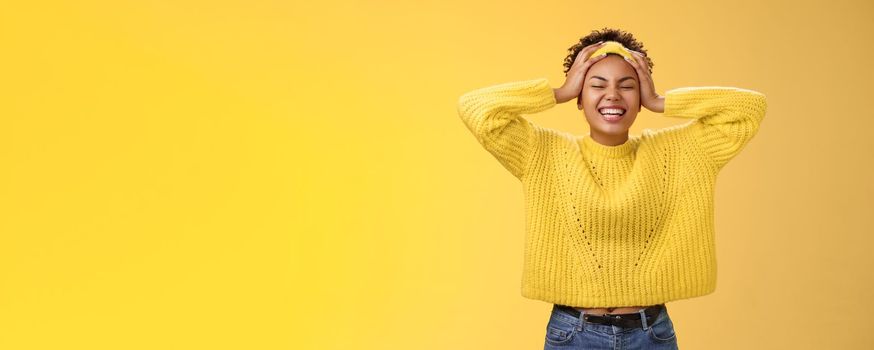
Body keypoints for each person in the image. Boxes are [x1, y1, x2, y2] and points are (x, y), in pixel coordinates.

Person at [456, 27, 767, 349]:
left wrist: (660, 101)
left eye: (628, 86)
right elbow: (477, 108)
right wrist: (559, 92)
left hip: (651, 334)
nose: (613, 95)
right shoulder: (542, 152)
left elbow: (747, 109)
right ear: (580, 96)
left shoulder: (680, 151)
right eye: (597, 85)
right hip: (573, 334)